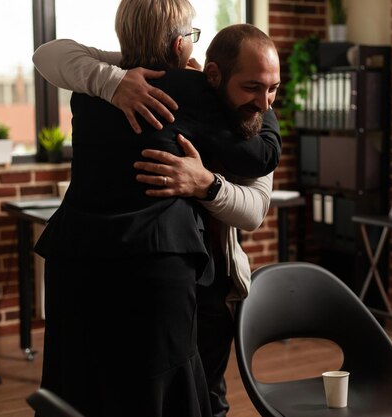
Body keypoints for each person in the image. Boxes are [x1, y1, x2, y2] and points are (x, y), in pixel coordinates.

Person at [33, 2, 280, 416]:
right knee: (159, 394)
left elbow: (49, 54)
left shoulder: (90, 89)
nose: (263, 99)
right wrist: (271, 110)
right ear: (181, 43)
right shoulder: (192, 89)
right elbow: (263, 155)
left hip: (74, 260)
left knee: (81, 386)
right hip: (153, 262)